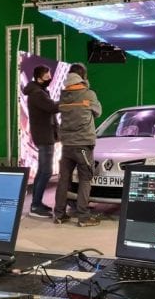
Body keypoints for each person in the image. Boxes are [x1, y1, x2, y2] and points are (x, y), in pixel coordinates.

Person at [54, 63, 102, 227]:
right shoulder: (88, 94)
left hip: (66, 145)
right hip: (83, 144)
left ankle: (59, 215)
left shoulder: (63, 95)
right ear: (83, 76)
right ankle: (83, 217)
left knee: (63, 180)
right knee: (85, 179)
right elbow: (98, 112)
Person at [23, 65, 59, 218]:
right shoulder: (38, 94)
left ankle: (37, 202)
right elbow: (52, 107)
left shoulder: (39, 91)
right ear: (39, 78)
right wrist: (70, 101)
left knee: (42, 171)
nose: (50, 78)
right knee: (46, 171)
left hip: (44, 135)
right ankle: (36, 206)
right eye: (47, 76)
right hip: (44, 136)